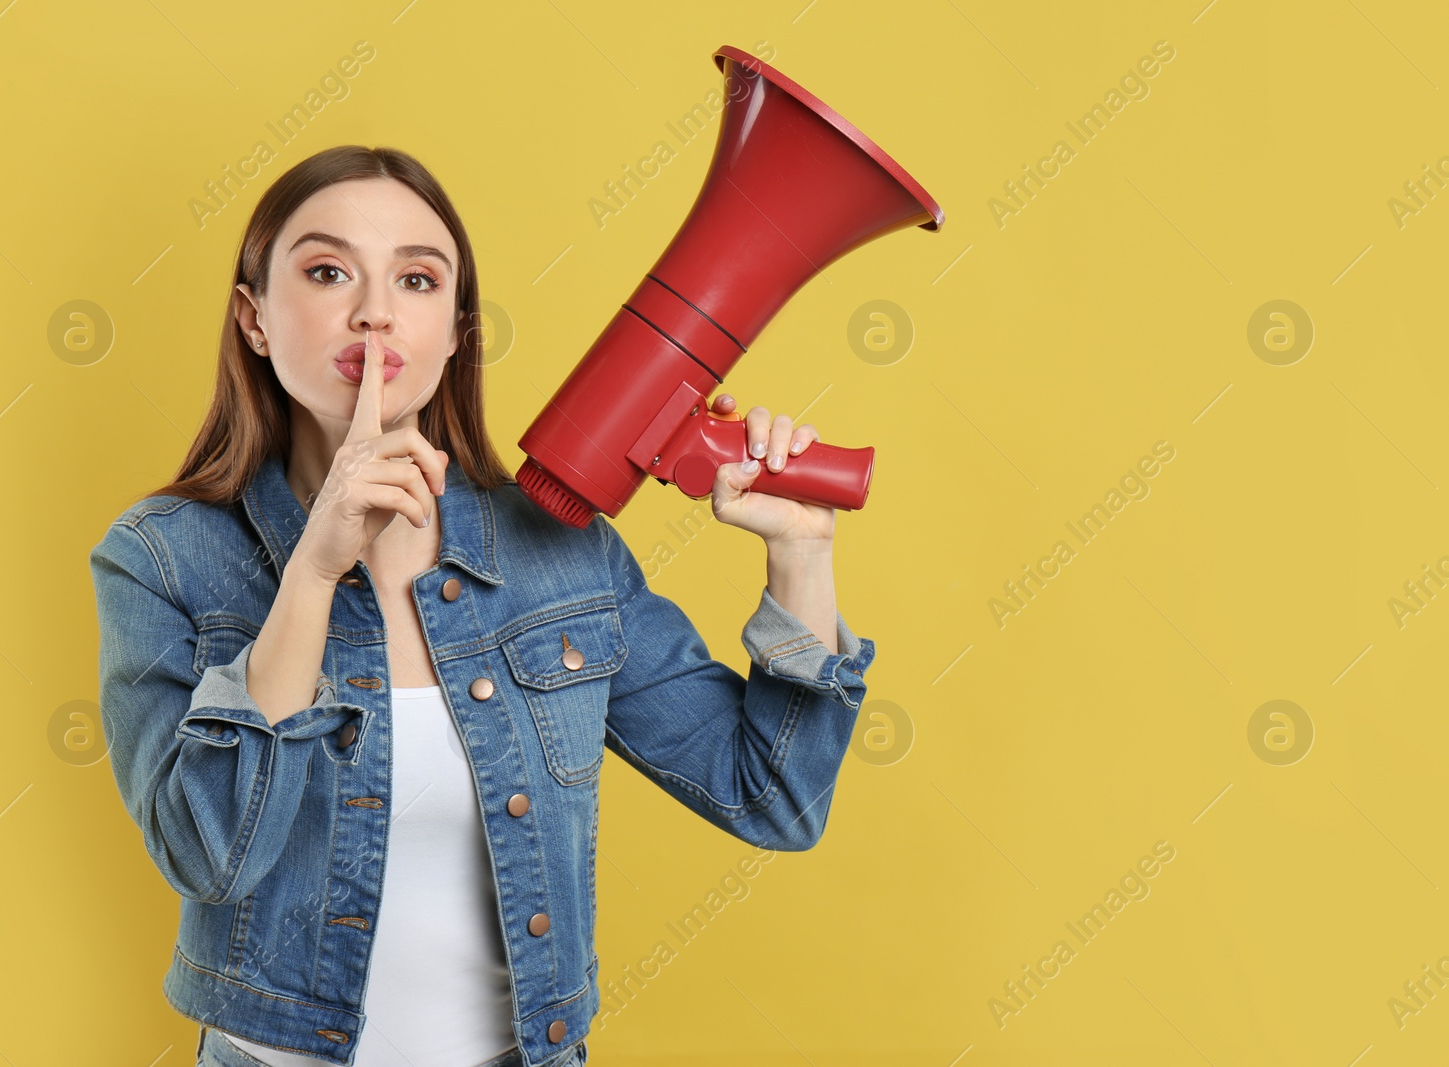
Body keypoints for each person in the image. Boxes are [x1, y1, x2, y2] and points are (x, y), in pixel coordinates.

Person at [89, 144, 876, 1067]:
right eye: (329, 270)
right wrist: (311, 571)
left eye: (417, 280)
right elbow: (209, 855)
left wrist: (802, 555)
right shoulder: (162, 556)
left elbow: (774, 797)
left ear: (457, 330)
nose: (375, 309)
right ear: (253, 315)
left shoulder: (564, 555)